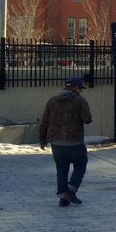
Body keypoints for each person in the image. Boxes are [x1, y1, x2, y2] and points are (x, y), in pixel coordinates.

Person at [40, 76, 92, 207]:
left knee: (61, 168)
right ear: (75, 87)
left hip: (56, 141)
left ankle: (63, 197)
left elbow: (45, 121)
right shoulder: (80, 100)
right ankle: (71, 190)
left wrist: (42, 140)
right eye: (80, 88)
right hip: (74, 140)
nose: (81, 90)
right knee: (81, 164)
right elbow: (87, 119)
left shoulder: (52, 100)